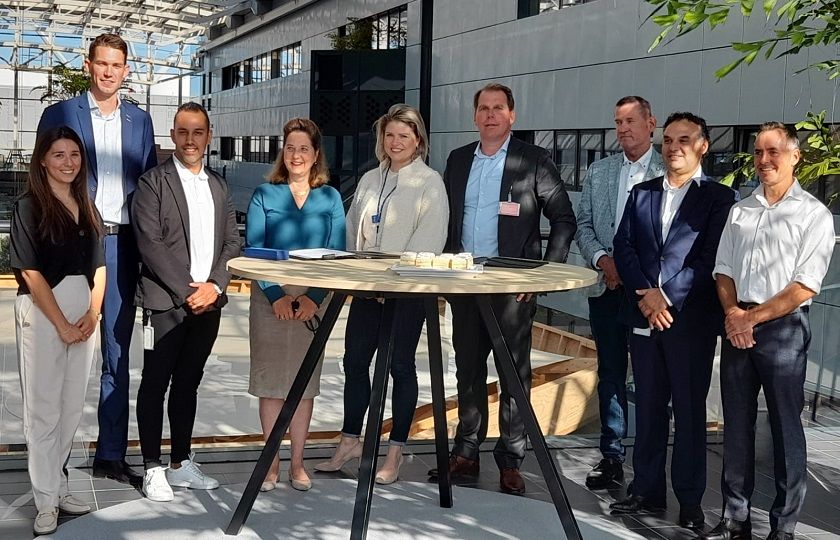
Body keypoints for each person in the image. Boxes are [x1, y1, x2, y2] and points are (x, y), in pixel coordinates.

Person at [434, 83, 576, 494]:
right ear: (475, 116)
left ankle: (511, 459)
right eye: (483, 108)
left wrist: (542, 275)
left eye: (498, 108)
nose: (490, 114)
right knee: (468, 369)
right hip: (464, 282)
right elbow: (447, 221)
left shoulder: (533, 160)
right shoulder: (459, 160)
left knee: (513, 374)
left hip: (512, 286)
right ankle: (465, 451)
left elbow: (563, 218)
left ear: (512, 115)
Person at [700, 123, 835, 540]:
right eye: (758, 152)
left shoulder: (814, 215)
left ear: (796, 156)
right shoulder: (741, 210)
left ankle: (784, 526)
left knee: (784, 428)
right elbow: (722, 270)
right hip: (738, 323)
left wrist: (750, 319)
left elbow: (803, 286)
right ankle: (734, 519)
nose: (763, 160)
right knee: (735, 426)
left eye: (773, 151)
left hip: (782, 332)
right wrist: (733, 313)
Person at [37, 33, 157, 485]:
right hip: (74, 242)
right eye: (102, 64)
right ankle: (56, 455)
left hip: (122, 246)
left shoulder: (141, 122)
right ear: (89, 65)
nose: (109, 72)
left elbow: (146, 190)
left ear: (126, 71)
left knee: (116, 353)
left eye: (117, 66)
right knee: (62, 352)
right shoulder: (61, 114)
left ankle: (110, 454)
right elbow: (44, 175)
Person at [610, 112, 738, 530]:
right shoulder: (641, 192)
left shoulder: (718, 198)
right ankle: (645, 489)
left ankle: (689, 500)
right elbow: (623, 246)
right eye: (668, 139)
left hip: (690, 321)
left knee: (688, 411)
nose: (673, 147)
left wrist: (666, 295)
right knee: (647, 407)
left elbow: (712, 258)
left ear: (703, 145)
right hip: (645, 316)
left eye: (684, 139)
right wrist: (647, 296)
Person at [315, 104, 448, 484]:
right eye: (389, 135)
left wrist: (391, 280)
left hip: (404, 291)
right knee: (354, 363)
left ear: (417, 140)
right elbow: (355, 230)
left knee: (400, 367)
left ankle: (395, 450)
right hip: (366, 289)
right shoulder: (371, 179)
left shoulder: (429, 182)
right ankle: (350, 440)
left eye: (404, 136)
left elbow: (430, 240)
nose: (395, 142)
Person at [131, 102, 240, 502]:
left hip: (208, 303)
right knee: (155, 384)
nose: (190, 139)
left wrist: (215, 284)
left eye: (198, 131)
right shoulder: (152, 183)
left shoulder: (218, 185)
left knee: (188, 384)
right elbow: (150, 244)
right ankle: (152, 467)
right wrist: (189, 290)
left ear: (208, 137)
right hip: (165, 303)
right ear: (172, 136)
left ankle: (180, 464)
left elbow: (232, 242)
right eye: (183, 131)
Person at [10, 126, 106, 536]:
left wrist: (93, 314)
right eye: (59, 155)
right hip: (44, 313)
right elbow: (30, 272)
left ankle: (60, 485)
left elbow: (100, 267)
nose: (68, 162)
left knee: (70, 410)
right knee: (43, 410)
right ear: (43, 160)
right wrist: (63, 324)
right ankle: (45, 500)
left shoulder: (87, 205)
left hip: (84, 314)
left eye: (74, 155)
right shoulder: (29, 206)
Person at [246, 118, 346, 492]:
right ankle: (271, 463)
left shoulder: (330, 197)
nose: (296, 155)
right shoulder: (263, 194)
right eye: (290, 148)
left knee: (304, 385)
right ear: (282, 153)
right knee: (271, 384)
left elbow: (338, 253)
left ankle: (298, 464)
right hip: (269, 296)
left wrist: (313, 299)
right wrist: (277, 296)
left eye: (304, 148)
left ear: (316, 154)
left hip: (314, 297)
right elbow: (254, 251)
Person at [575, 96, 665, 490]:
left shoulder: (670, 169)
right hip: (607, 287)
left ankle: (650, 465)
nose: (623, 128)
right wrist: (602, 261)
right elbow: (584, 224)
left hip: (651, 294)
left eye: (631, 121)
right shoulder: (600, 171)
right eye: (618, 122)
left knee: (651, 379)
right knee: (610, 374)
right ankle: (611, 458)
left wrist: (638, 277)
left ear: (651, 124)